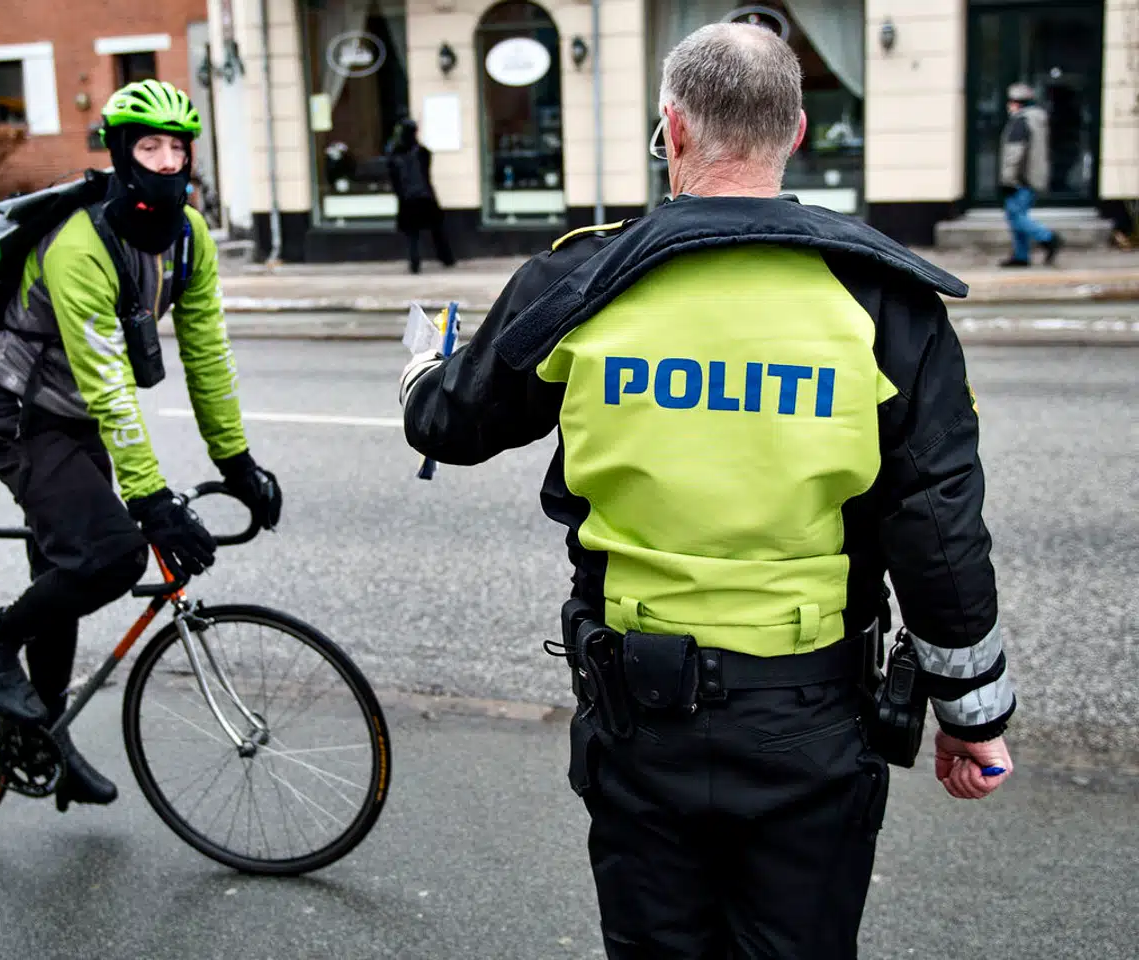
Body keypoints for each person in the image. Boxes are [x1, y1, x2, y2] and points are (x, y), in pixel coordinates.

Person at [400, 23, 1016, 959]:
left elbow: (454, 421)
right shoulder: (881, 300)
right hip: (810, 724)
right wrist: (974, 718)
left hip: (641, 719)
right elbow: (936, 528)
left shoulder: (583, 279)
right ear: (797, 132)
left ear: (672, 129)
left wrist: (419, 372)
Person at [0, 80, 282, 811]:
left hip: (74, 422)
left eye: (178, 147)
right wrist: (153, 502)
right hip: (18, 415)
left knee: (65, 573)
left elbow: (207, 356)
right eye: (150, 146)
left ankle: (41, 735)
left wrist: (237, 461)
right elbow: (110, 387)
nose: (167, 162)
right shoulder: (80, 246)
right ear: (121, 152)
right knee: (109, 555)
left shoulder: (189, 237)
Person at [1000, 82, 1062, 267]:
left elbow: (1014, 153)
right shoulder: (1037, 119)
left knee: (1016, 216)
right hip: (1031, 177)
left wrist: (1008, 179)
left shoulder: (1021, 121)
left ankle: (1048, 238)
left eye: (1010, 101)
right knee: (1018, 215)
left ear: (1016, 103)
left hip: (1019, 179)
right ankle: (1021, 256)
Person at [385, 117, 456, 274]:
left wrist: (400, 194)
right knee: (436, 230)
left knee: (413, 234)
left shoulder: (396, 155)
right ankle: (446, 258)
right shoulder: (421, 152)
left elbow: (394, 178)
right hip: (424, 196)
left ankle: (415, 263)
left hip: (408, 198)